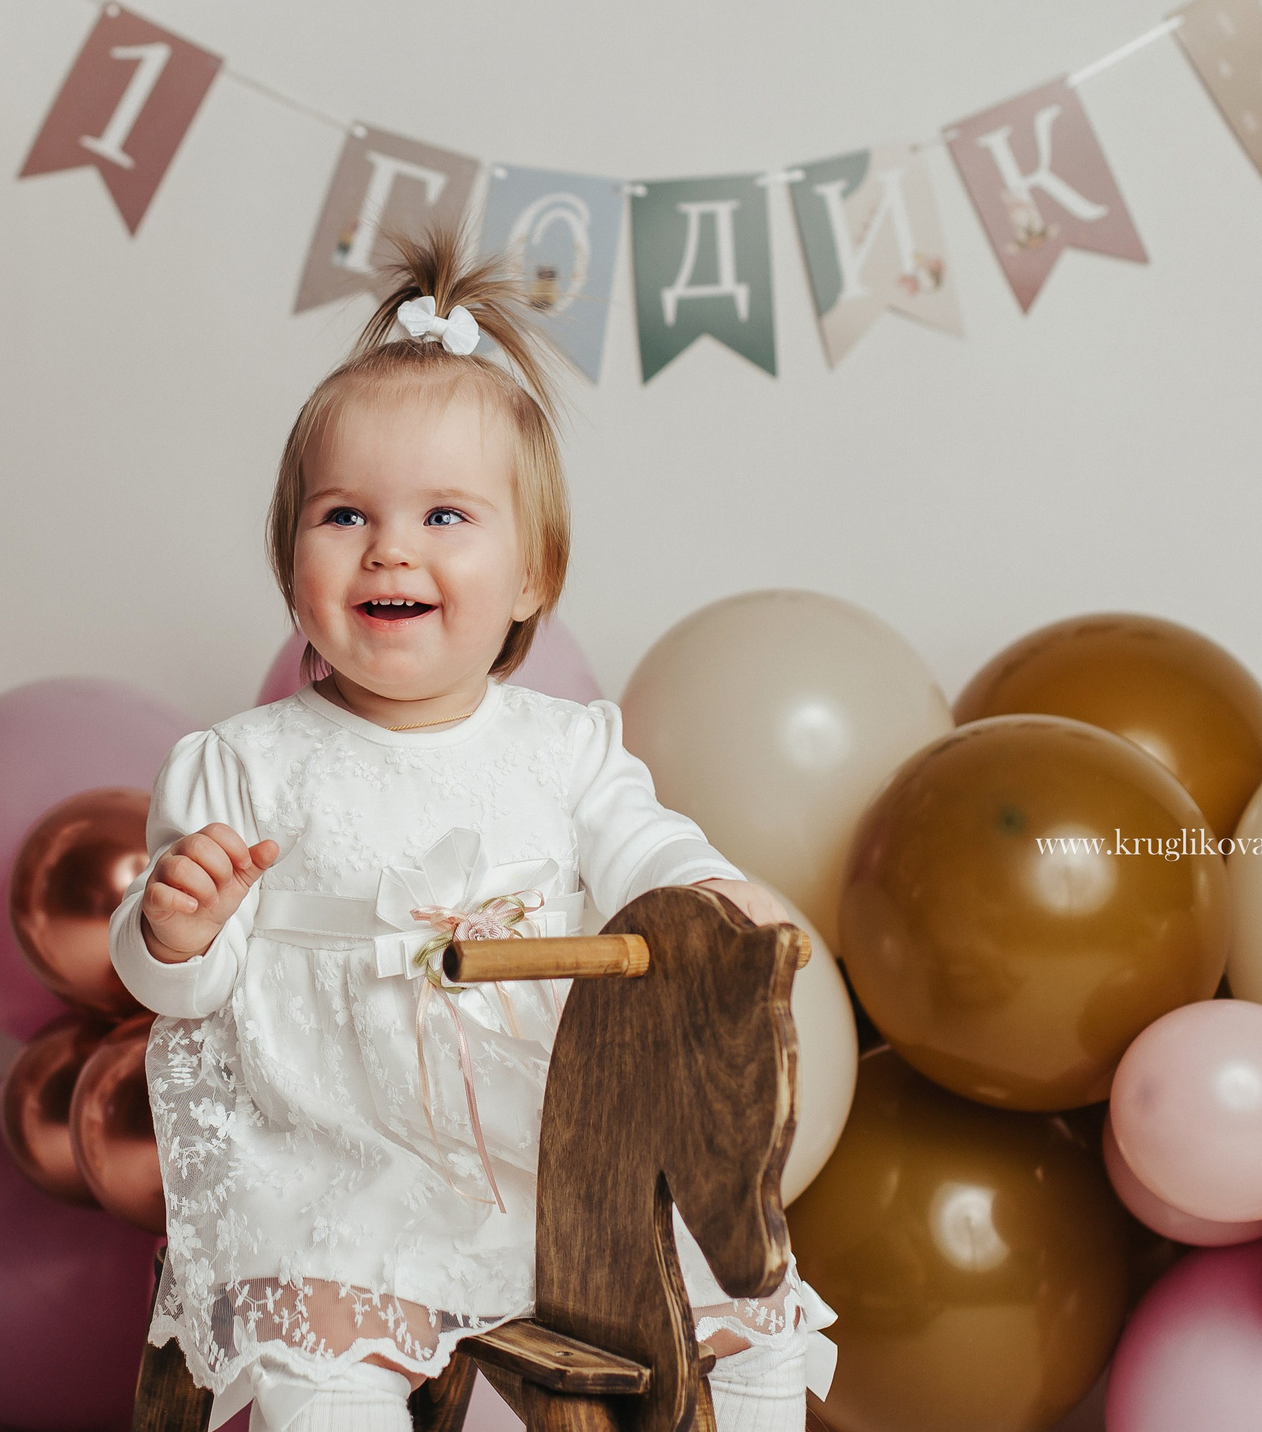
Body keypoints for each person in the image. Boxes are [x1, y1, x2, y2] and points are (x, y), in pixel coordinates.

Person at [109, 230, 834, 1432]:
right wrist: (176, 930)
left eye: (446, 515)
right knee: (322, 1380)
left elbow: (646, 849)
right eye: (344, 516)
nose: (391, 546)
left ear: (534, 572)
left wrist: (712, 890)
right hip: (331, 1163)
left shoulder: (564, 751)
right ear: (291, 566)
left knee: (741, 1310)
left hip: (537, 1158)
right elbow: (177, 1000)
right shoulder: (243, 764)